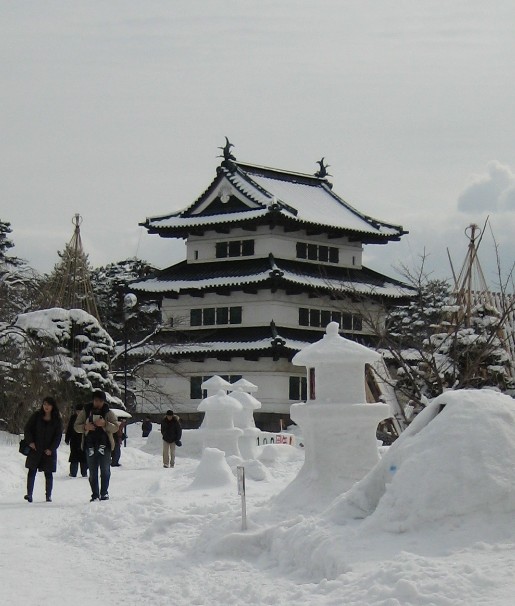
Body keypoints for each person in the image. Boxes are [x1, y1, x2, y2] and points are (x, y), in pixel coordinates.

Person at [74, 389, 119, 502]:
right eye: (96, 400)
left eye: (100, 401)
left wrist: (105, 424)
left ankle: (104, 492)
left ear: (104, 401)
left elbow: (116, 427)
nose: (98, 403)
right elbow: (76, 426)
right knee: (92, 471)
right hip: (90, 444)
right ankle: (94, 494)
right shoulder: (86, 411)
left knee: (105, 470)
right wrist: (85, 427)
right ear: (93, 400)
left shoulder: (108, 412)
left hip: (105, 445)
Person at [23, 396, 63, 503]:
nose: (46, 406)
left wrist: (51, 448)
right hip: (35, 448)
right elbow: (27, 429)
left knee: (48, 473)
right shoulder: (36, 416)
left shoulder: (57, 420)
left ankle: (48, 495)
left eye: (48, 404)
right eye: (44, 404)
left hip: (48, 451)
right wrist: (30, 442)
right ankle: (29, 494)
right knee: (32, 471)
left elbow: (58, 436)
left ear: (53, 406)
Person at [65, 403, 88, 478]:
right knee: (74, 457)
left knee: (83, 458)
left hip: (83, 440)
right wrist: (67, 438)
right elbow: (69, 428)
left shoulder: (86, 418)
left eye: (80, 411)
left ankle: (84, 473)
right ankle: (73, 473)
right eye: (77, 411)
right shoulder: (73, 417)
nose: (78, 413)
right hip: (74, 440)